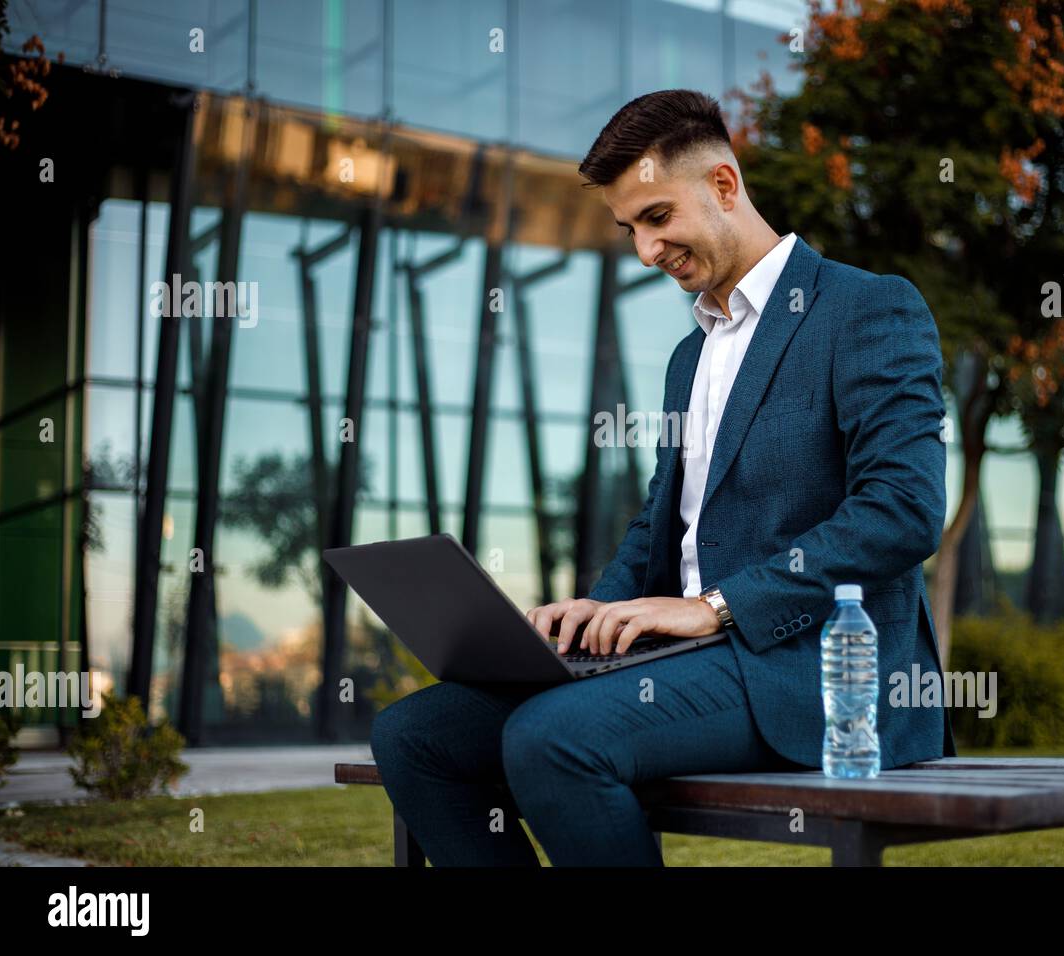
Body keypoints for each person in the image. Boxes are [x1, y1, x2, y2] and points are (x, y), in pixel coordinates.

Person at [370, 88, 955, 867]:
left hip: (811, 671)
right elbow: (662, 529)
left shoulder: (867, 310)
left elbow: (904, 510)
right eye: (630, 230)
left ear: (722, 185)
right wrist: (590, 615)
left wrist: (714, 608)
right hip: (689, 660)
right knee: (412, 736)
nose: (646, 252)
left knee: (553, 739)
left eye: (656, 218)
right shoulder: (691, 356)